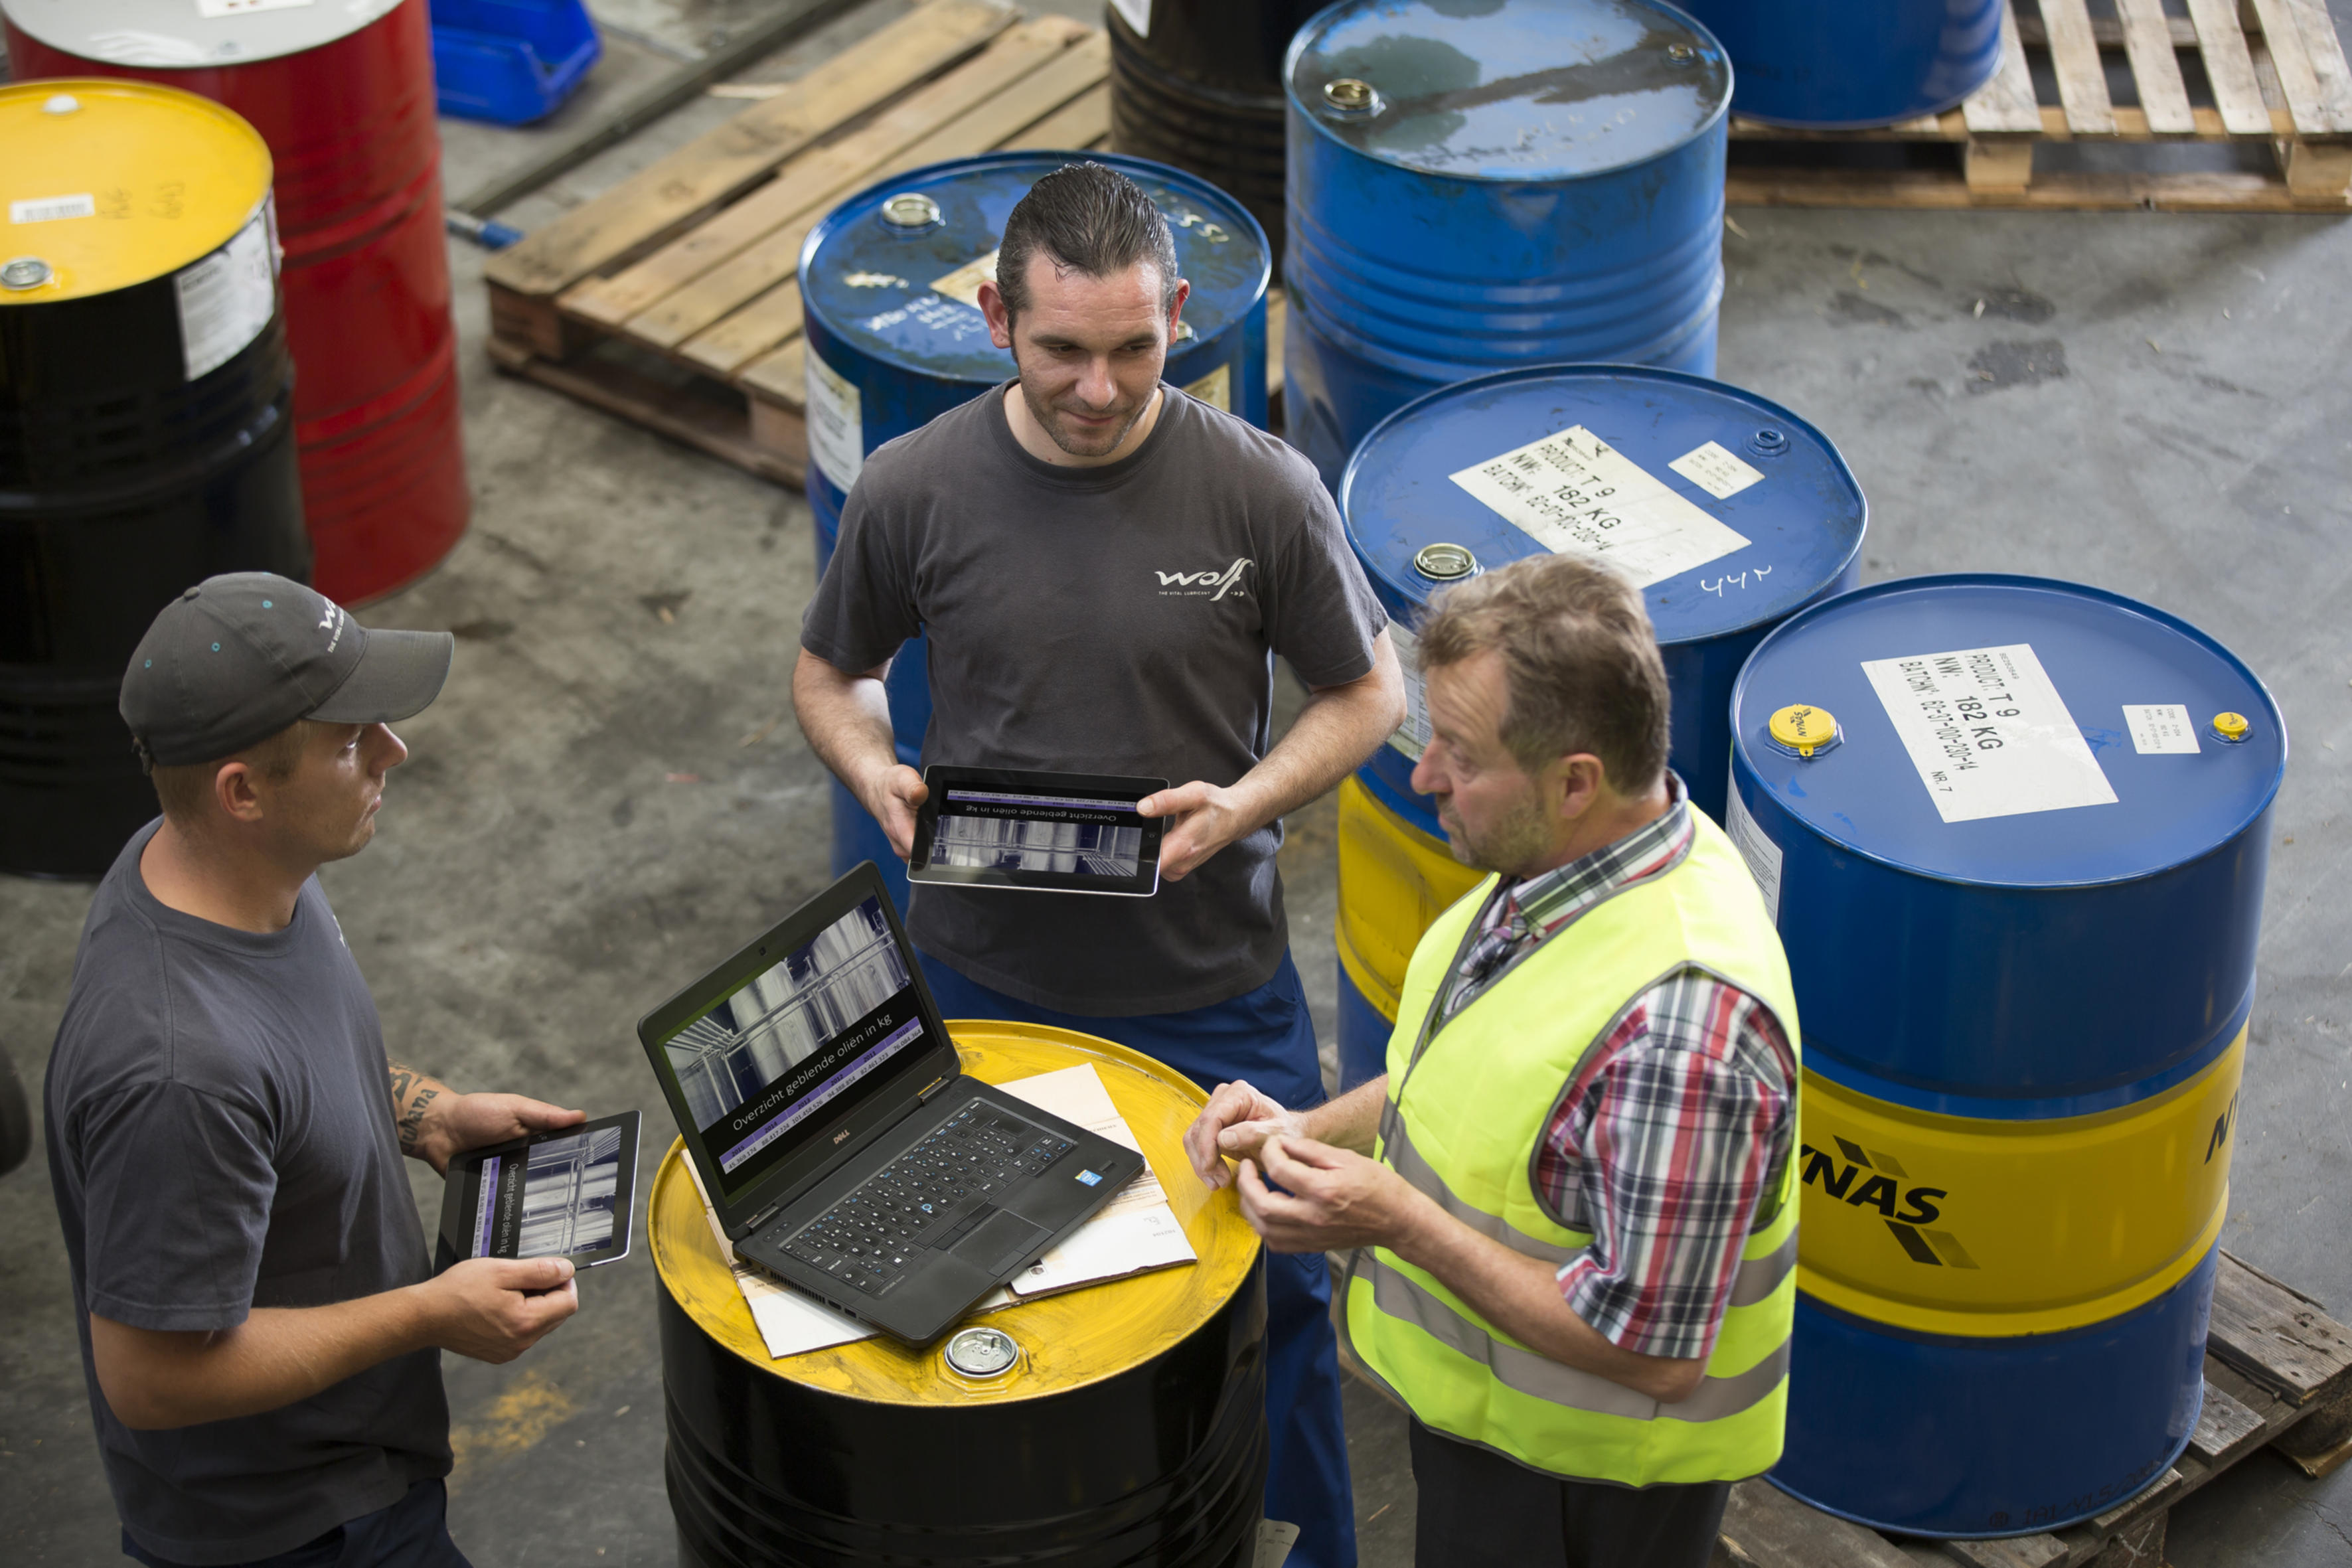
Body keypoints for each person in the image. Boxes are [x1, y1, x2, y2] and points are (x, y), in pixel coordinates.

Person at [794, 161, 1403, 1567]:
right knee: (986, 1302)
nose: (1099, 386)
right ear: (996, 318)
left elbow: (1367, 691)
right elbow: (832, 672)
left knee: (1272, 1305)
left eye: (1134, 347)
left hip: (1209, 984)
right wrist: (873, 767)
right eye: (1062, 348)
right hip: (982, 980)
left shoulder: (1259, 489)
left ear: (1178, 312)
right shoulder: (914, 486)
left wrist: (1244, 800)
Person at [1182, 555, 1800, 1568]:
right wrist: (1304, 1128)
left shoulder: (1686, 1035)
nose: (1424, 775)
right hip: (1496, 1427)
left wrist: (1392, 1217)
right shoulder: (1572, 862)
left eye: (1461, 755)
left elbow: (1650, 1349)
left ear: (1576, 780)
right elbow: (1480, 1074)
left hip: (1587, 1493)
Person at [47, 574, 588, 1568]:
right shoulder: (175, 1072)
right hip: (298, 1528)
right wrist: (429, 1311)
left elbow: (288, 1059)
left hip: (359, 1462)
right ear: (243, 792)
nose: (394, 750)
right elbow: (149, 1378)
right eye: (348, 741)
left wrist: (428, 1115)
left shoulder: (224, 868)